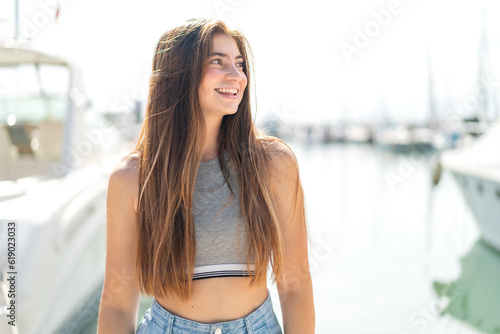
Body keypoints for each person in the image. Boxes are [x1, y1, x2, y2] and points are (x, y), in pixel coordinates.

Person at [97, 18, 315, 334]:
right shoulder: (132, 178)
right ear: (179, 74)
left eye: (240, 64)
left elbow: (295, 283)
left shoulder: (274, 163)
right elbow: (117, 303)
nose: (236, 75)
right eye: (218, 61)